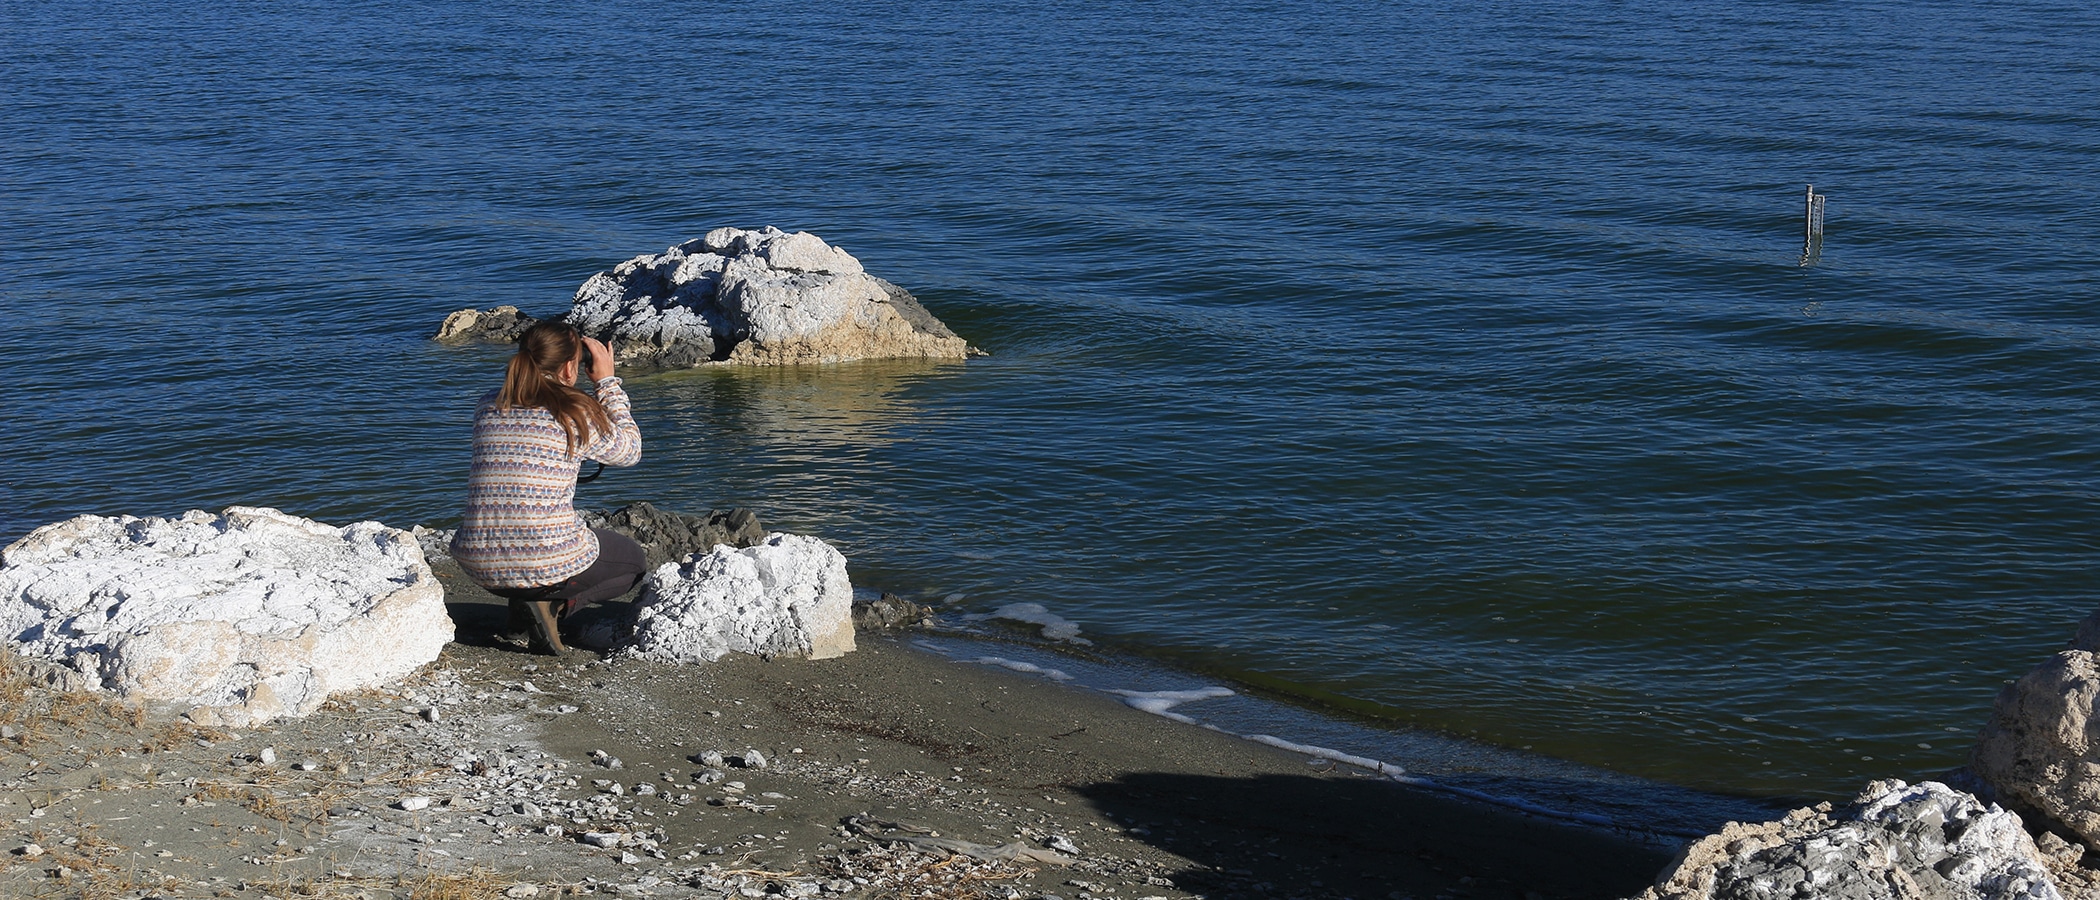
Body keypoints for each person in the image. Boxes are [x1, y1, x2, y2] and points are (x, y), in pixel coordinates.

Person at [451, 320, 644, 654]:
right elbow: (630, 450)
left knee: (532, 537)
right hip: (542, 561)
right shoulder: (576, 411)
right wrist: (607, 383)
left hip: (477, 560)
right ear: (571, 366)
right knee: (634, 564)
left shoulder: (488, 405)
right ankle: (553, 608)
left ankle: (524, 608)